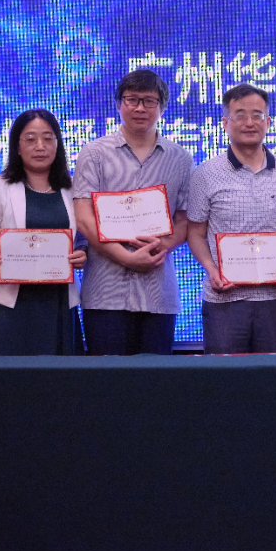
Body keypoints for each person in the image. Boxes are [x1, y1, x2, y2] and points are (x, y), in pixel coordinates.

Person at [73, 70, 193, 355]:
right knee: (107, 376)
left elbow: (185, 220)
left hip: (158, 292)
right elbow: (84, 218)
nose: (140, 108)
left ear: (162, 107)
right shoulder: (94, 153)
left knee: (155, 378)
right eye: (132, 99)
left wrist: (161, 246)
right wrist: (126, 257)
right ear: (119, 104)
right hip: (105, 293)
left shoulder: (181, 159)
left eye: (149, 101)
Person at [186, 83, 276, 353]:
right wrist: (211, 269)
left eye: (257, 115)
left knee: (274, 375)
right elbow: (195, 233)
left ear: (268, 122)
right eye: (240, 115)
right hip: (224, 300)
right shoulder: (205, 173)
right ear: (225, 123)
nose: (249, 123)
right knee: (225, 376)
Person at [0, 109, 88, 355]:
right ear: (17, 146)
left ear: (58, 144)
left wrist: (82, 254)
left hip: (58, 301)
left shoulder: (73, 187)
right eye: (31, 139)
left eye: (48, 138)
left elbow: (82, 239)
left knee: (58, 375)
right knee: (11, 375)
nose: (40, 146)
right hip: (12, 304)